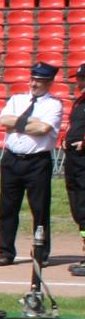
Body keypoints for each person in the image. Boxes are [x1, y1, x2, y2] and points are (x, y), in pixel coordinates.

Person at [0, 62, 65, 266]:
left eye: (40, 81)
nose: (34, 84)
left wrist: (18, 124)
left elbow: (43, 129)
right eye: (33, 79)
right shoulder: (17, 99)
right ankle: (6, 252)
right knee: (7, 207)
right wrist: (30, 122)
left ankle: (41, 252)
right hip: (12, 159)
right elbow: (3, 120)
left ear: (49, 83)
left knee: (39, 208)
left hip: (37, 162)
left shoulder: (53, 104)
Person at [68, 65, 85, 276]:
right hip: (74, 161)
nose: (78, 82)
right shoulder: (80, 102)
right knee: (79, 209)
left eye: (81, 79)